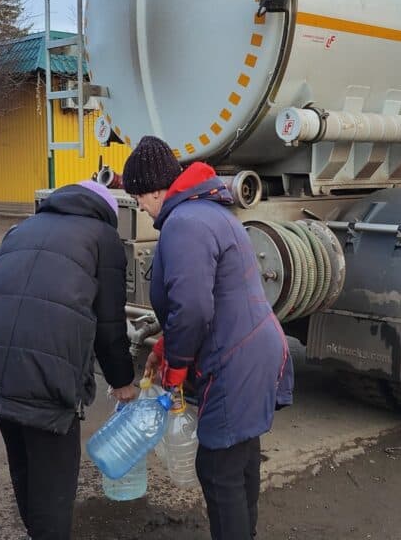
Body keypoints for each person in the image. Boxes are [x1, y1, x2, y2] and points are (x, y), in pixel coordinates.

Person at [122, 135, 294, 540]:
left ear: (154, 188)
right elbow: (207, 296)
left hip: (235, 359)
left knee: (218, 471)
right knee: (239, 458)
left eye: (138, 197)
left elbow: (195, 307)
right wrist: (167, 344)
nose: (141, 207)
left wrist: (177, 367)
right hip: (254, 347)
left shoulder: (184, 224)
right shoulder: (209, 213)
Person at [0, 180, 136, 540]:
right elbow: (109, 323)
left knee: (23, 458)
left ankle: (35, 530)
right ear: (106, 210)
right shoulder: (104, 237)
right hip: (47, 366)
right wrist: (122, 381)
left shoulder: (25, 226)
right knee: (54, 476)